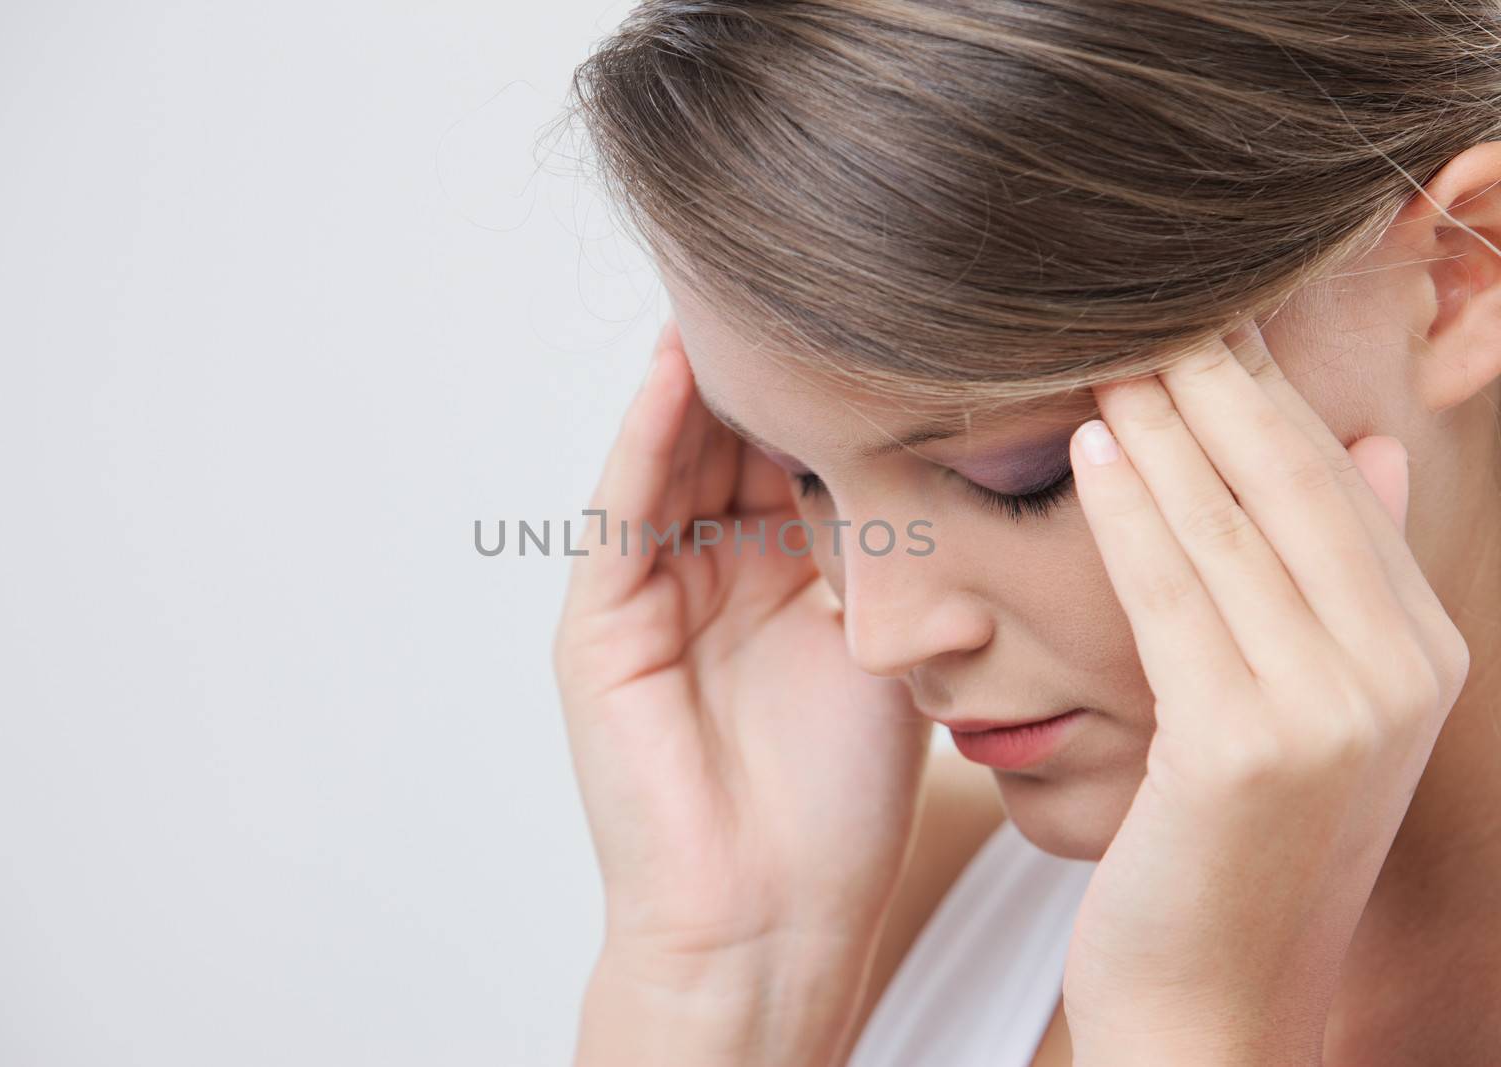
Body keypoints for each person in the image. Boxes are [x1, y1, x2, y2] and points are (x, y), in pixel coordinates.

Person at [549, 2, 1501, 1063]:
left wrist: (1189, 1033)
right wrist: (724, 981)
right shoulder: (881, 914)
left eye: (1020, 476)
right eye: (803, 477)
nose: (883, 634)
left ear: (1460, 271)